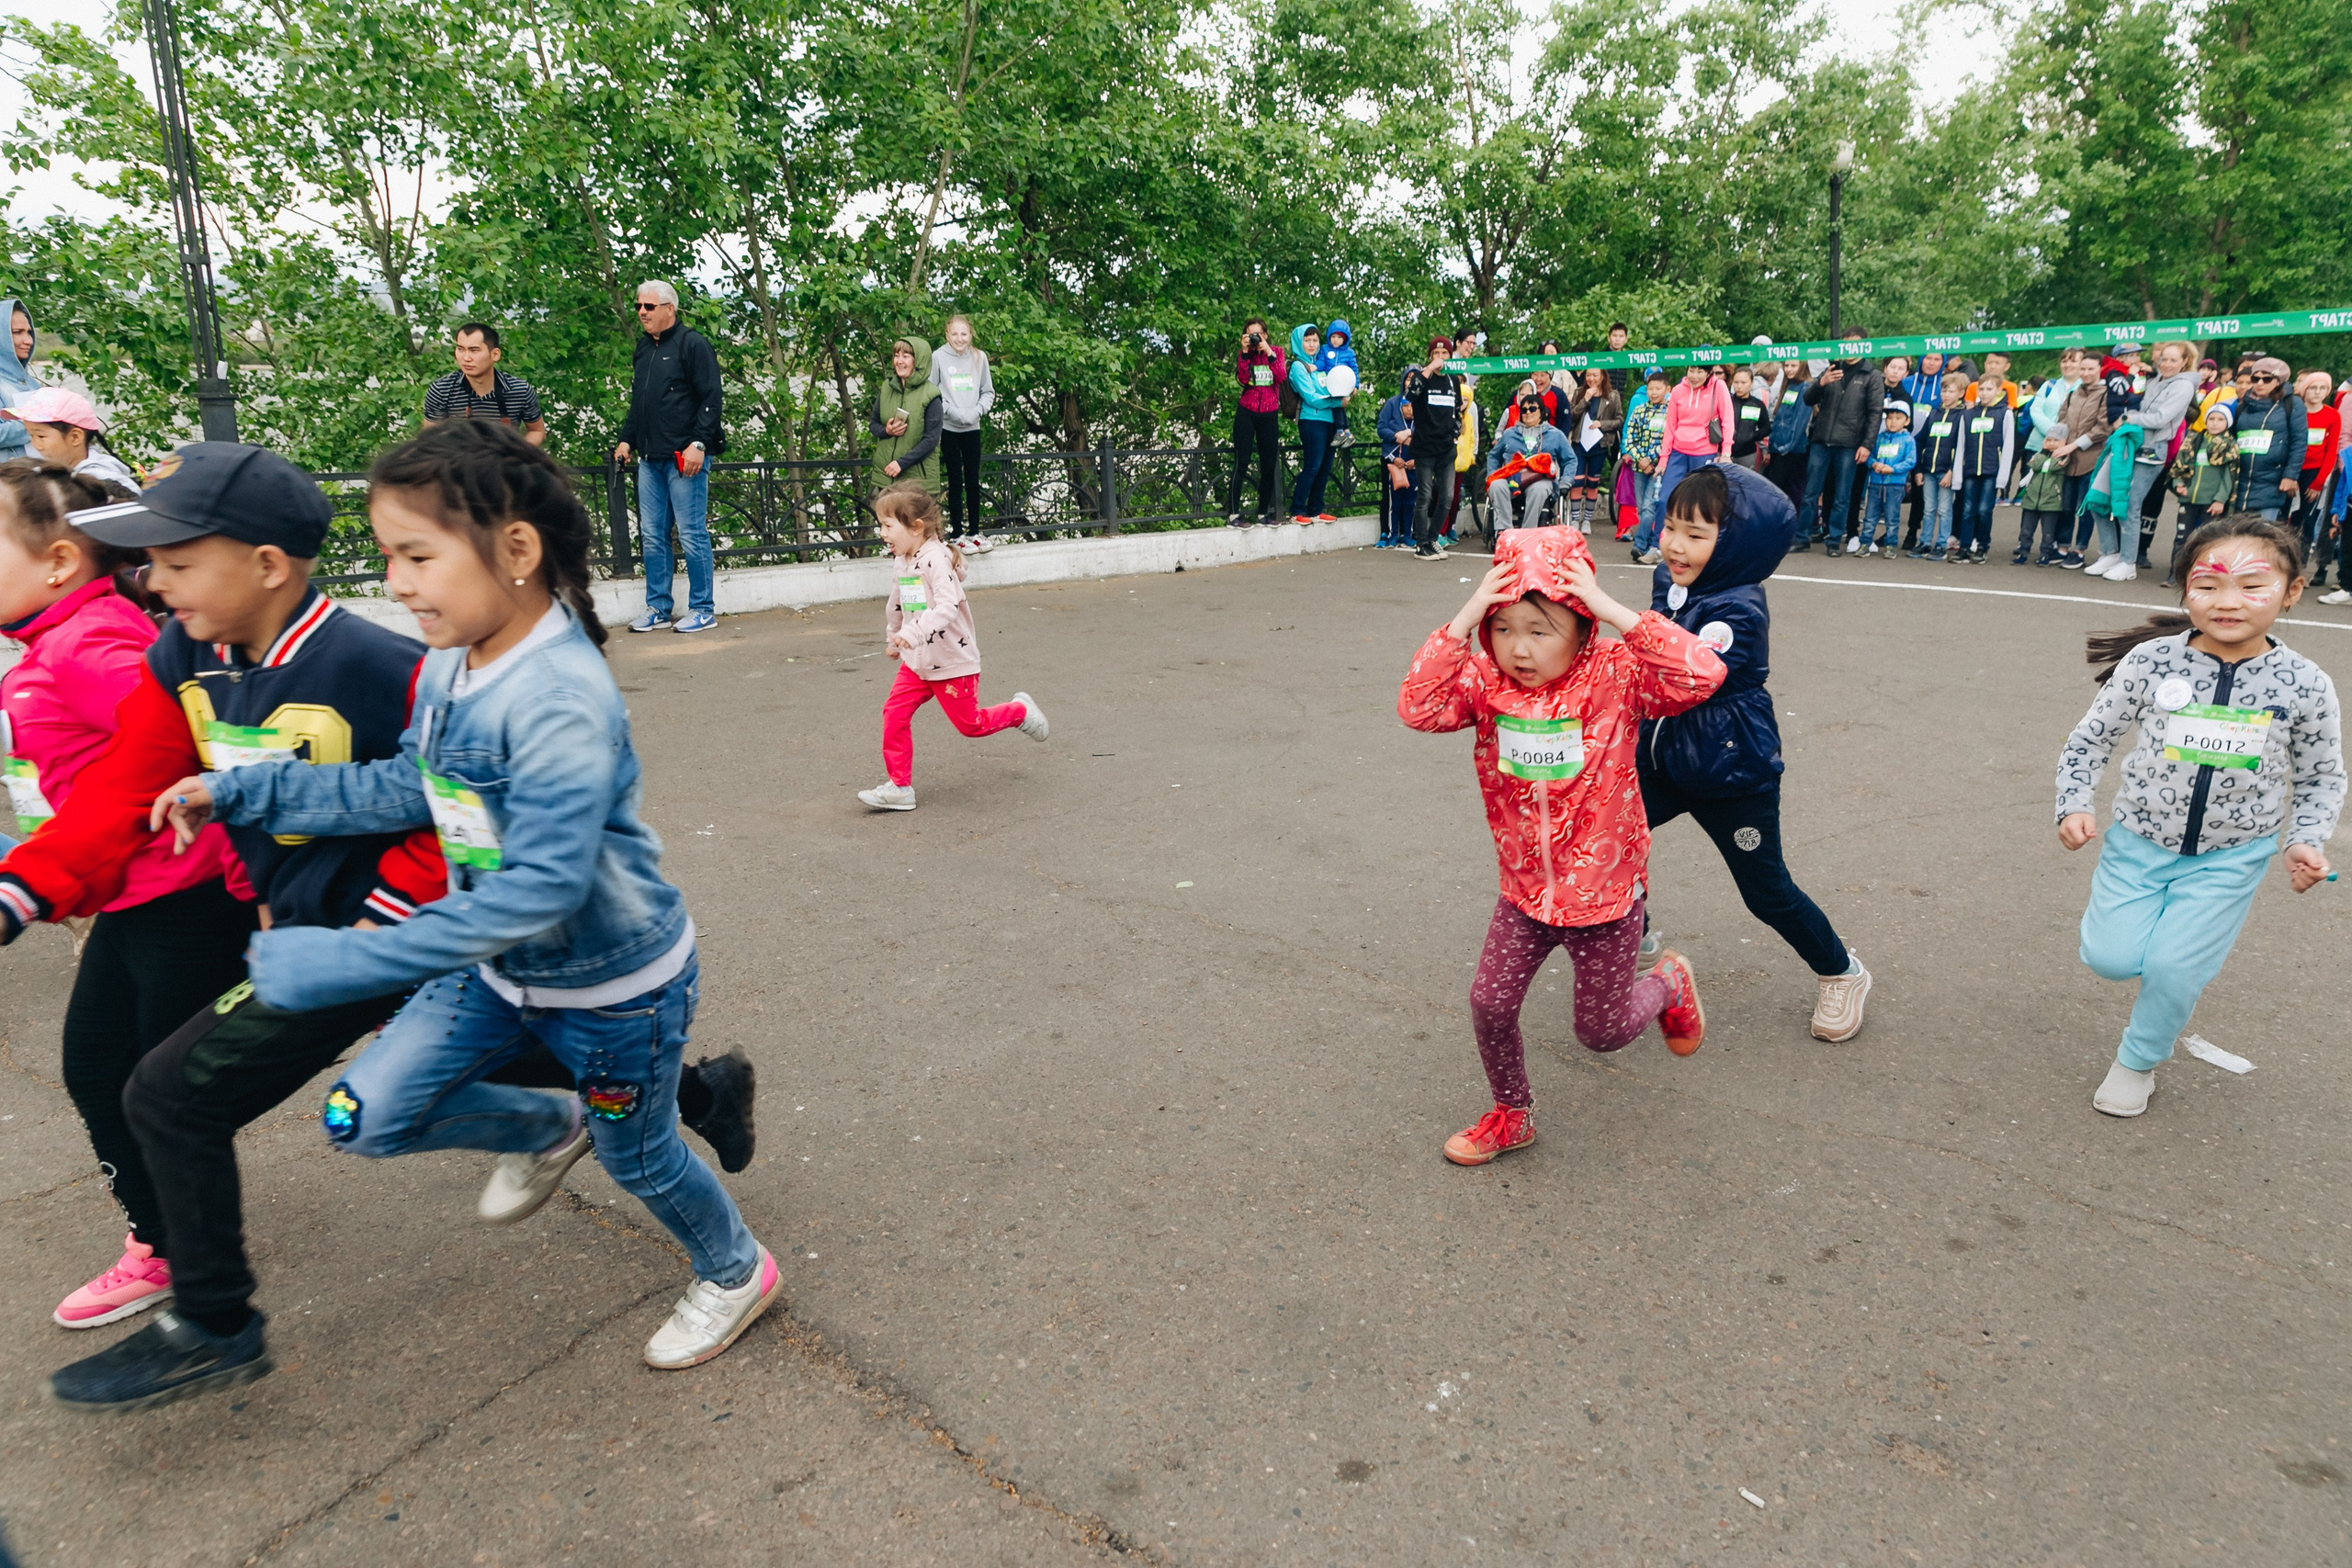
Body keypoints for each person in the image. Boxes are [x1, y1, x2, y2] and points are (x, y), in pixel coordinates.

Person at [29, 438, 752, 1412]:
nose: (394, 582)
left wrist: (349, 956)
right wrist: (253, 787)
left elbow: (537, 890)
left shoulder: (557, 699)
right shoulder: (460, 662)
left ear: (518, 549)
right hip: (492, 968)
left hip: (608, 985)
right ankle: (555, 1118)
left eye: (416, 557)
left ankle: (736, 1270)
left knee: (641, 1154)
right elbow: (414, 784)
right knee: (363, 1118)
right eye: (389, 556)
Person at [0, 463, 244, 1331]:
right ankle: (171, 1233)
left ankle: (182, 1257)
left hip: (182, 895)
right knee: (113, 1072)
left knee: (155, 1083)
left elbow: (189, 738)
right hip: (129, 895)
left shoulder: (87, 646)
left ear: (61, 560)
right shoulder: (53, 642)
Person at [1396, 525, 1726, 1167]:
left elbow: (1703, 673)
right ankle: (1512, 1114)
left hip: (1603, 898)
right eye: (1503, 627)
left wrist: (1614, 611)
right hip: (1523, 890)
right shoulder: (1486, 683)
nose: (1518, 648)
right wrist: (1466, 617)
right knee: (1488, 1003)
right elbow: (1417, 705)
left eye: (1540, 629)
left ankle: (1668, 984)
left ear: (1581, 626)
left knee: (1600, 1033)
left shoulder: (1616, 673)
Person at [2056, 514, 2343, 1118]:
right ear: (2184, 587)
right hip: (2136, 843)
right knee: (2109, 957)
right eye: (2208, 585)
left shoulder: (2305, 684)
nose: (2227, 601)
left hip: (2230, 859)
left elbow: (2321, 775)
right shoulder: (2151, 662)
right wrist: (2075, 802)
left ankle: (2137, 1062)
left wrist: (2304, 840)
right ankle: (2144, 961)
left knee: (2173, 967)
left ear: (2292, 592)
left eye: (2251, 585)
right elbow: (2090, 740)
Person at [1641, 464, 1871, 1039]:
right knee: (1604, 837)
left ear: (1736, 543)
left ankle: (1842, 972)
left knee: (1766, 892)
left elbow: (1686, 668)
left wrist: (1608, 613)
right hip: (1664, 757)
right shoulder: (1672, 585)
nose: (1674, 544)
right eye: (1671, 527)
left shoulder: (1740, 607)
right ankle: (1633, 939)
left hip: (1731, 770)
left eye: (1696, 535)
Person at [855, 485, 1047, 811]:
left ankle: (1019, 712)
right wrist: (895, 637)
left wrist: (912, 635)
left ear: (915, 526)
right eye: (881, 525)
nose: (881, 533)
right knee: (894, 713)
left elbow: (947, 608)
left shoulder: (934, 561)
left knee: (970, 725)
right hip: (917, 662)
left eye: (888, 526)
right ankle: (900, 787)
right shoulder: (904, 560)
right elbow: (900, 604)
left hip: (951, 660)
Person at [617, 281, 724, 635]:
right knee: (652, 534)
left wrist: (700, 443)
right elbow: (640, 400)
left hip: (684, 457)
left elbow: (711, 397)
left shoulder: (692, 344)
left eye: (649, 306)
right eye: (638, 307)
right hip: (650, 458)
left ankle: (703, 609)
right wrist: (626, 440)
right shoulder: (643, 349)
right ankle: (659, 608)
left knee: (692, 533)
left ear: (669, 309)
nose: (642, 313)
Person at [2083, 341, 2196, 582]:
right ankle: (2110, 552)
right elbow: (2130, 398)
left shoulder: (2184, 386)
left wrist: (2128, 418)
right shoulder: (2152, 378)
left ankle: (2128, 562)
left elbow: (2161, 418)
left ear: (2185, 362)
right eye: (2163, 358)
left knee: (2130, 504)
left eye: (2173, 360)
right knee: (2097, 496)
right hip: (2127, 444)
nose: (2166, 364)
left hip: (2152, 451)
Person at [1794, 334, 1881, 553]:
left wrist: (1867, 445)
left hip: (1849, 443)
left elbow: (1875, 414)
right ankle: (1801, 538)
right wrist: (1821, 383)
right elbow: (1807, 399)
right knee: (1810, 493)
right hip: (1821, 440)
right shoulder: (1832, 369)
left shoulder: (1872, 375)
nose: (1849, 347)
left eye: (1855, 343)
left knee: (1843, 496)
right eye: (1846, 343)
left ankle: (1833, 541)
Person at [932, 314, 998, 547]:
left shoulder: (980, 358)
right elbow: (933, 394)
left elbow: (988, 392)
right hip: (949, 428)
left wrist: (977, 411)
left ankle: (975, 532)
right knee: (955, 480)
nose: (959, 339)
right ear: (947, 335)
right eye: (954, 334)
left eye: (964, 334)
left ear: (971, 335)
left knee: (972, 480)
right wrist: (953, 412)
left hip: (973, 427)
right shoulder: (937, 357)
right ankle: (957, 533)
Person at [422, 322, 547, 446]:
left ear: (495, 354)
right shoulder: (441, 389)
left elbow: (537, 431)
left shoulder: (520, 390)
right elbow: (430, 439)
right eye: (460, 349)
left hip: (504, 461)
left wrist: (516, 452)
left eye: (474, 350)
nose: (466, 358)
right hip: (457, 461)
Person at [6, 388, 141, 492]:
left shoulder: (100, 483)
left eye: (41, 436)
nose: (36, 445)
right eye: (31, 436)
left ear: (75, 437)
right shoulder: (60, 473)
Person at [1402, 336, 1462, 559]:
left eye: (1444, 354)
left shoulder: (1453, 380)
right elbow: (1409, 396)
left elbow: (1456, 410)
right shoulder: (1421, 378)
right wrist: (1428, 370)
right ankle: (1421, 544)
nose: (1440, 358)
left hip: (1446, 448)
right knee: (1424, 496)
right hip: (1425, 448)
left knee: (1446, 497)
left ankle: (1433, 538)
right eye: (1436, 354)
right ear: (1430, 358)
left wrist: (1455, 433)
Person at [2053, 351, 2113, 567]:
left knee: (2085, 507)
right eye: (2083, 369)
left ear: (2100, 370)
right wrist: (2061, 447)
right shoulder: (2072, 394)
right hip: (2068, 458)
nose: (2086, 373)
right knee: (2066, 505)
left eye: (2091, 369)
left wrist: (2074, 445)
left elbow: (2102, 427)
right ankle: (2062, 546)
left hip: (2092, 458)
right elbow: (2061, 421)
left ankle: (2079, 550)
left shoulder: (2106, 393)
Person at [2228, 358, 2307, 522]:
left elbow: (2299, 442)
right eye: (2255, 378)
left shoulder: (2292, 404)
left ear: (2279, 381)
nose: (2260, 383)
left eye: (2267, 379)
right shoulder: (2243, 406)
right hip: (2240, 480)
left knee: (2262, 536)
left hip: (2273, 481)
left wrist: (2290, 476)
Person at [1949, 375, 2014, 563]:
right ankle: (1965, 548)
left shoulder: (2005, 414)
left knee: (1984, 510)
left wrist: (2003, 477)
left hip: (1991, 471)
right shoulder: (1967, 415)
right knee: (1967, 510)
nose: (1984, 393)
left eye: (1989, 389)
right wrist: (1958, 476)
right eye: (1981, 389)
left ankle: (1983, 546)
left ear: (1998, 391)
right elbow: (1960, 445)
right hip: (1970, 470)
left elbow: (2008, 445)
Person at [1484, 391, 1572, 530]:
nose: (1528, 413)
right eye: (1524, 410)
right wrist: (1491, 474)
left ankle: (1528, 532)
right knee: (1496, 485)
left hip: (1539, 478)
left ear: (1542, 412)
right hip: (1511, 478)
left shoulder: (1555, 435)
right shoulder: (1509, 434)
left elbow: (1570, 459)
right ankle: (1505, 532)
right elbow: (1494, 456)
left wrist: (1565, 482)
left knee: (1539, 490)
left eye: (1532, 409)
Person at [1227, 318, 1284, 527]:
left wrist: (1269, 352)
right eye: (1250, 335)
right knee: (1241, 462)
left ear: (1265, 335)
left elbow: (1280, 375)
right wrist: (1244, 353)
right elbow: (1242, 378)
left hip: (1269, 414)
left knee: (1269, 465)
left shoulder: (1276, 351)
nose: (1254, 339)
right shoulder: (1246, 355)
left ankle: (1263, 514)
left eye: (1258, 334)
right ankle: (1233, 515)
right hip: (1247, 412)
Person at [1285, 323, 1341, 525]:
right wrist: (1337, 401)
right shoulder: (1298, 367)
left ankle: (1316, 509)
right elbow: (1311, 397)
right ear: (1299, 342)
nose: (1312, 344)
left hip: (1329, 421)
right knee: (1313, 465)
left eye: (1315, 340)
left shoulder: (1320, 364)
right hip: (1311, 420)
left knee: (1325, 467)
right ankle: (1297, 510)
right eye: (1307, 340)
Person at [1660, 363, 1734, 508]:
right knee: (1666, 499)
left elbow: (1727, 419)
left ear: (1708, 373)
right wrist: (1663, 459)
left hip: (1704, 452)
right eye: (1691, 370)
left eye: (1700, 371)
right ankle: (1661, 531)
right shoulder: (1678, 390)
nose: (1694, 376)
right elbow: (1670, 426)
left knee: (1700, 502)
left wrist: (1726, 452)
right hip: (1678, 451)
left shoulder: (1718, 387)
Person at [2293, 370, 2340, 591]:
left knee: (2307, 522)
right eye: (2313, 387)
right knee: (2290, 520)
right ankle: (2286, 564)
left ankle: (2301, 567)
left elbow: (2331, 452)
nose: (2318, 392)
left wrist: (2318, 483)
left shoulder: (2332, 415)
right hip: (2293, 473)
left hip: (2314, 475)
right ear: (2304, 390)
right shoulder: (2296, 412)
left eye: (2323, 388)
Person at [1912, 373, 1963, 559]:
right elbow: (1920, 440)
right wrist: (1918, 469)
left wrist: (1952, 471)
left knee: (1944, 509)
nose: (1946, 394)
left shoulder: (1962, 416)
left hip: (1946, 472)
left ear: (1961, 393)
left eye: (1951, 391)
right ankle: (1925, 542)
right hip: (1928, 471)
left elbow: (1961, 447)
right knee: (1928, 509)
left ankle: (1941, 545)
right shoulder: (1934, 413)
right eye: (1944, 390)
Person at [1565, 368, 1621, 532]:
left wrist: (1602, 424)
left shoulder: (1612, 395)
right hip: (1579, 443)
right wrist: (1585, 400)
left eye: (1595, 375)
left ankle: (1587, 520)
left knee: (1592, 483)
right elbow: (1572, 416)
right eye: (1588, 375)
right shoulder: (1578, 393)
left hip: (1599, 444)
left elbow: (1619, 420)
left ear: (1603, 376)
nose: (1591, 378)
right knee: (1577, 482)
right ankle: (1575, 519)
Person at [1854, 400, 1915, 555]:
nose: (1893, 421)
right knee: (1870, 516)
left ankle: (1891, 545)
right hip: (1875, 484)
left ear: (1907, 421)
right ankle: (1865, 544)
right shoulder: (1879, 438)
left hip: (1895, 485)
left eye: (1898, 418)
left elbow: (1910, 461)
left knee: (1892, 517)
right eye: (1889, 417)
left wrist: (1892, 469)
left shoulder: (1908, 440)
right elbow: (1870, 455)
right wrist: (1874, 464)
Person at [1623, 369, 1670, 559]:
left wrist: (1652, 460)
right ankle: (1649, 541)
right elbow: (1629, 439)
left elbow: (1669, 439)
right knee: (1642, 508)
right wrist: (1640, 459)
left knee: (1650, 506)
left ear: (1667, 389)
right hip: (1638, 467)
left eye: (1658, 388)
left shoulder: (1670, 412)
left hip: (1658, 468)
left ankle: (1639, 544)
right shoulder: (1639, 410)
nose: (1653, 392)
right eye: (1650, 388)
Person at [2014, 416, 2073, 566]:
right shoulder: (2039, 455)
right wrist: (2043, 456)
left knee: (2048, 533)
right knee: (2026, 530)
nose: (2051, 443)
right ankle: (2023, 552)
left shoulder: (2065, 457)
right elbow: (2034, 464)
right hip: (2031, 500)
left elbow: (2055, 466)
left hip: (2051, 502)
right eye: (2049, 440)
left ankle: (2045, 554)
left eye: (2056, 441)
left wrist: (2052, 456)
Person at [1763, 360, 1813, 513]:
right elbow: (1779, 419)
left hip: (1794, 450)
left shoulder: (1806, 386)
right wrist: (1772, 446)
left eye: (1793, 366)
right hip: (1779, 448)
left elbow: (1800, 421)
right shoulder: (1788, 385)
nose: (1789, 369)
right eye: (1787, 366)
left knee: (1792, 492)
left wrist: (1787, 447)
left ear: (1802, 366)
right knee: (1778, 491)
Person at [1375, 380, 1414, 547]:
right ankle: (1393, 535)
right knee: (1394, 502)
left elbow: (1425, 442)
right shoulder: (1392, 405)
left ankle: (1407, 534)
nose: (1409, 409)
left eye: (1412, 406)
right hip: (1396, 468)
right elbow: (1384, 434)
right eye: (1406, 406)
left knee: (1411, 502)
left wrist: (1417, 460)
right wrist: (1393, 459)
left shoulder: (1419, 423)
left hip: (1413, 467)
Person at [0, 299, 37, 463]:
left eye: (29, 332)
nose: (28, 340)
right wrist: (41, 423)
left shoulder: (31, 383)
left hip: (36, 480)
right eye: (17, 332)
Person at [1316, 319, 1359, 448]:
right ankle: (1346, 432)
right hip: (1330, 384)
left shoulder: (1349, 353)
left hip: (1344, 384)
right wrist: (1313, 366)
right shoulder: (1324, 349)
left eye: (1339, 337)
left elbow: (1354, 369)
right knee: (1337, 406)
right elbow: (1321, 363)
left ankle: (1340, 431)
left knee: (1338, 406)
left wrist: (1355, 385)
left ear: (1345, 339)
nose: (1335, 340)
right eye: (1333, 336)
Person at [1725, 366, 1768, 471]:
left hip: (1747, 454)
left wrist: (1752, 436)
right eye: (1736, 382)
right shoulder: (1727, 402)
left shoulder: (1757, 404)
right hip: (1725, 453)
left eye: (1744, 383)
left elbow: (1766, 428)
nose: (1739, 386)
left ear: (1751, 383)